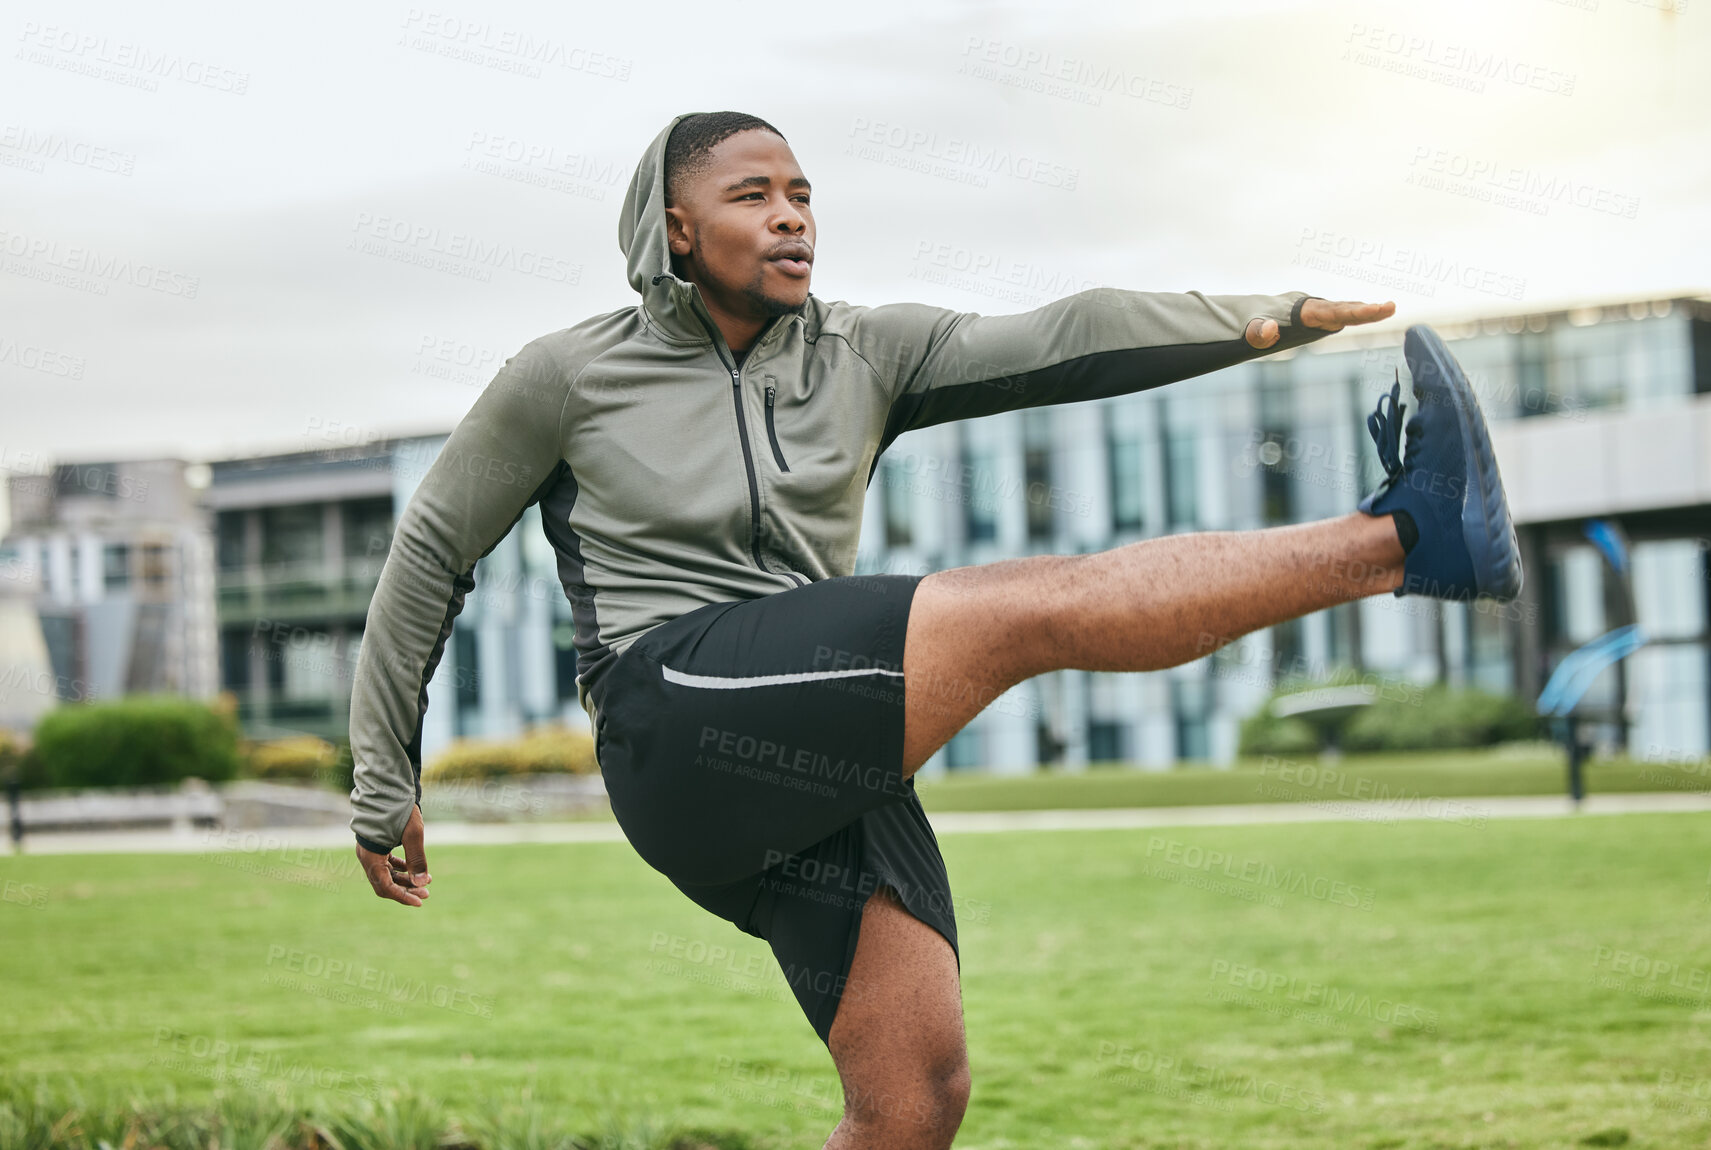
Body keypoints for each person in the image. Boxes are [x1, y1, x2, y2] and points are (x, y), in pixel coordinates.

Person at [347, 110, 1521, 1149]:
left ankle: (1413, 540)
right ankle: (1407, 541)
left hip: (820, 739)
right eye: (752, 196)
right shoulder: (567, 376)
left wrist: (1266, 319)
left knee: (914, 1102)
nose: (793, 216)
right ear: (677, 231)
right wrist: (380, 771)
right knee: (1026, 608)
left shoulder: (867, 353)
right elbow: (429, 552)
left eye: (803, 193)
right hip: (676, 714)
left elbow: (1060, 337)